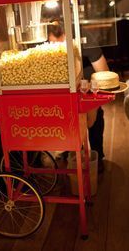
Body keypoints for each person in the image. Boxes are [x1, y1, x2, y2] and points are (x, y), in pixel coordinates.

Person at [47, 21, 109, 173]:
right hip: (61, 88)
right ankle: (71, 152)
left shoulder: (84, 38)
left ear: (68, 36)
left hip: (87, 84)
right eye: (52, 44)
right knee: (66, 118)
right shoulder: (46, 45)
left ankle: (97, 154)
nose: (57, 49)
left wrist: (91, 90)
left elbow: (103, 71)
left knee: (93, 118)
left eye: (60, 44)